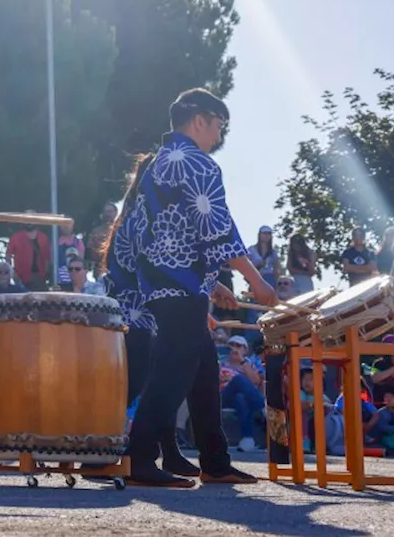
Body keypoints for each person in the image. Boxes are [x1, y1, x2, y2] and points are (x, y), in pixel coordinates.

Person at [117, 88, 277, 487]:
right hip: (178, 281)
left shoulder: (155, 165)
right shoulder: (197, 162)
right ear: (200, 120)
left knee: (204, 369)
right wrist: (254, 279)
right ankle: (138, 457)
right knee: (174, 367)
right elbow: (217, 227)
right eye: (218, 126)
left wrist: (211, 281)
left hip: (160, 278)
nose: (218, 136)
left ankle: (215, 460)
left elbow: (151, 230)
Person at [101, 155, 197, 481]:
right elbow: (155, 267)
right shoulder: (142, 218)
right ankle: (114, 455)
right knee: (144, 383)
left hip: (134, 312)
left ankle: (167, 452)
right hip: (136, 314)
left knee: (154, 381)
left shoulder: (135, 215)